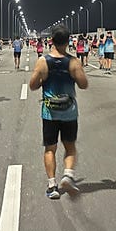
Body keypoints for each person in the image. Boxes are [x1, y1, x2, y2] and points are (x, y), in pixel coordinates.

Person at [29, 24, 89, 199]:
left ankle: (52, 186)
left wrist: (43, 80)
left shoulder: (42, 62)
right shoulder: (73, 62)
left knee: (50, 148)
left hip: (50, 112)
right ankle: (68, 175)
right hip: (69, 112)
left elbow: (32, 86)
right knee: (70, 147)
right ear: (68, 41)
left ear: (52, 41)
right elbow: (84, 84)